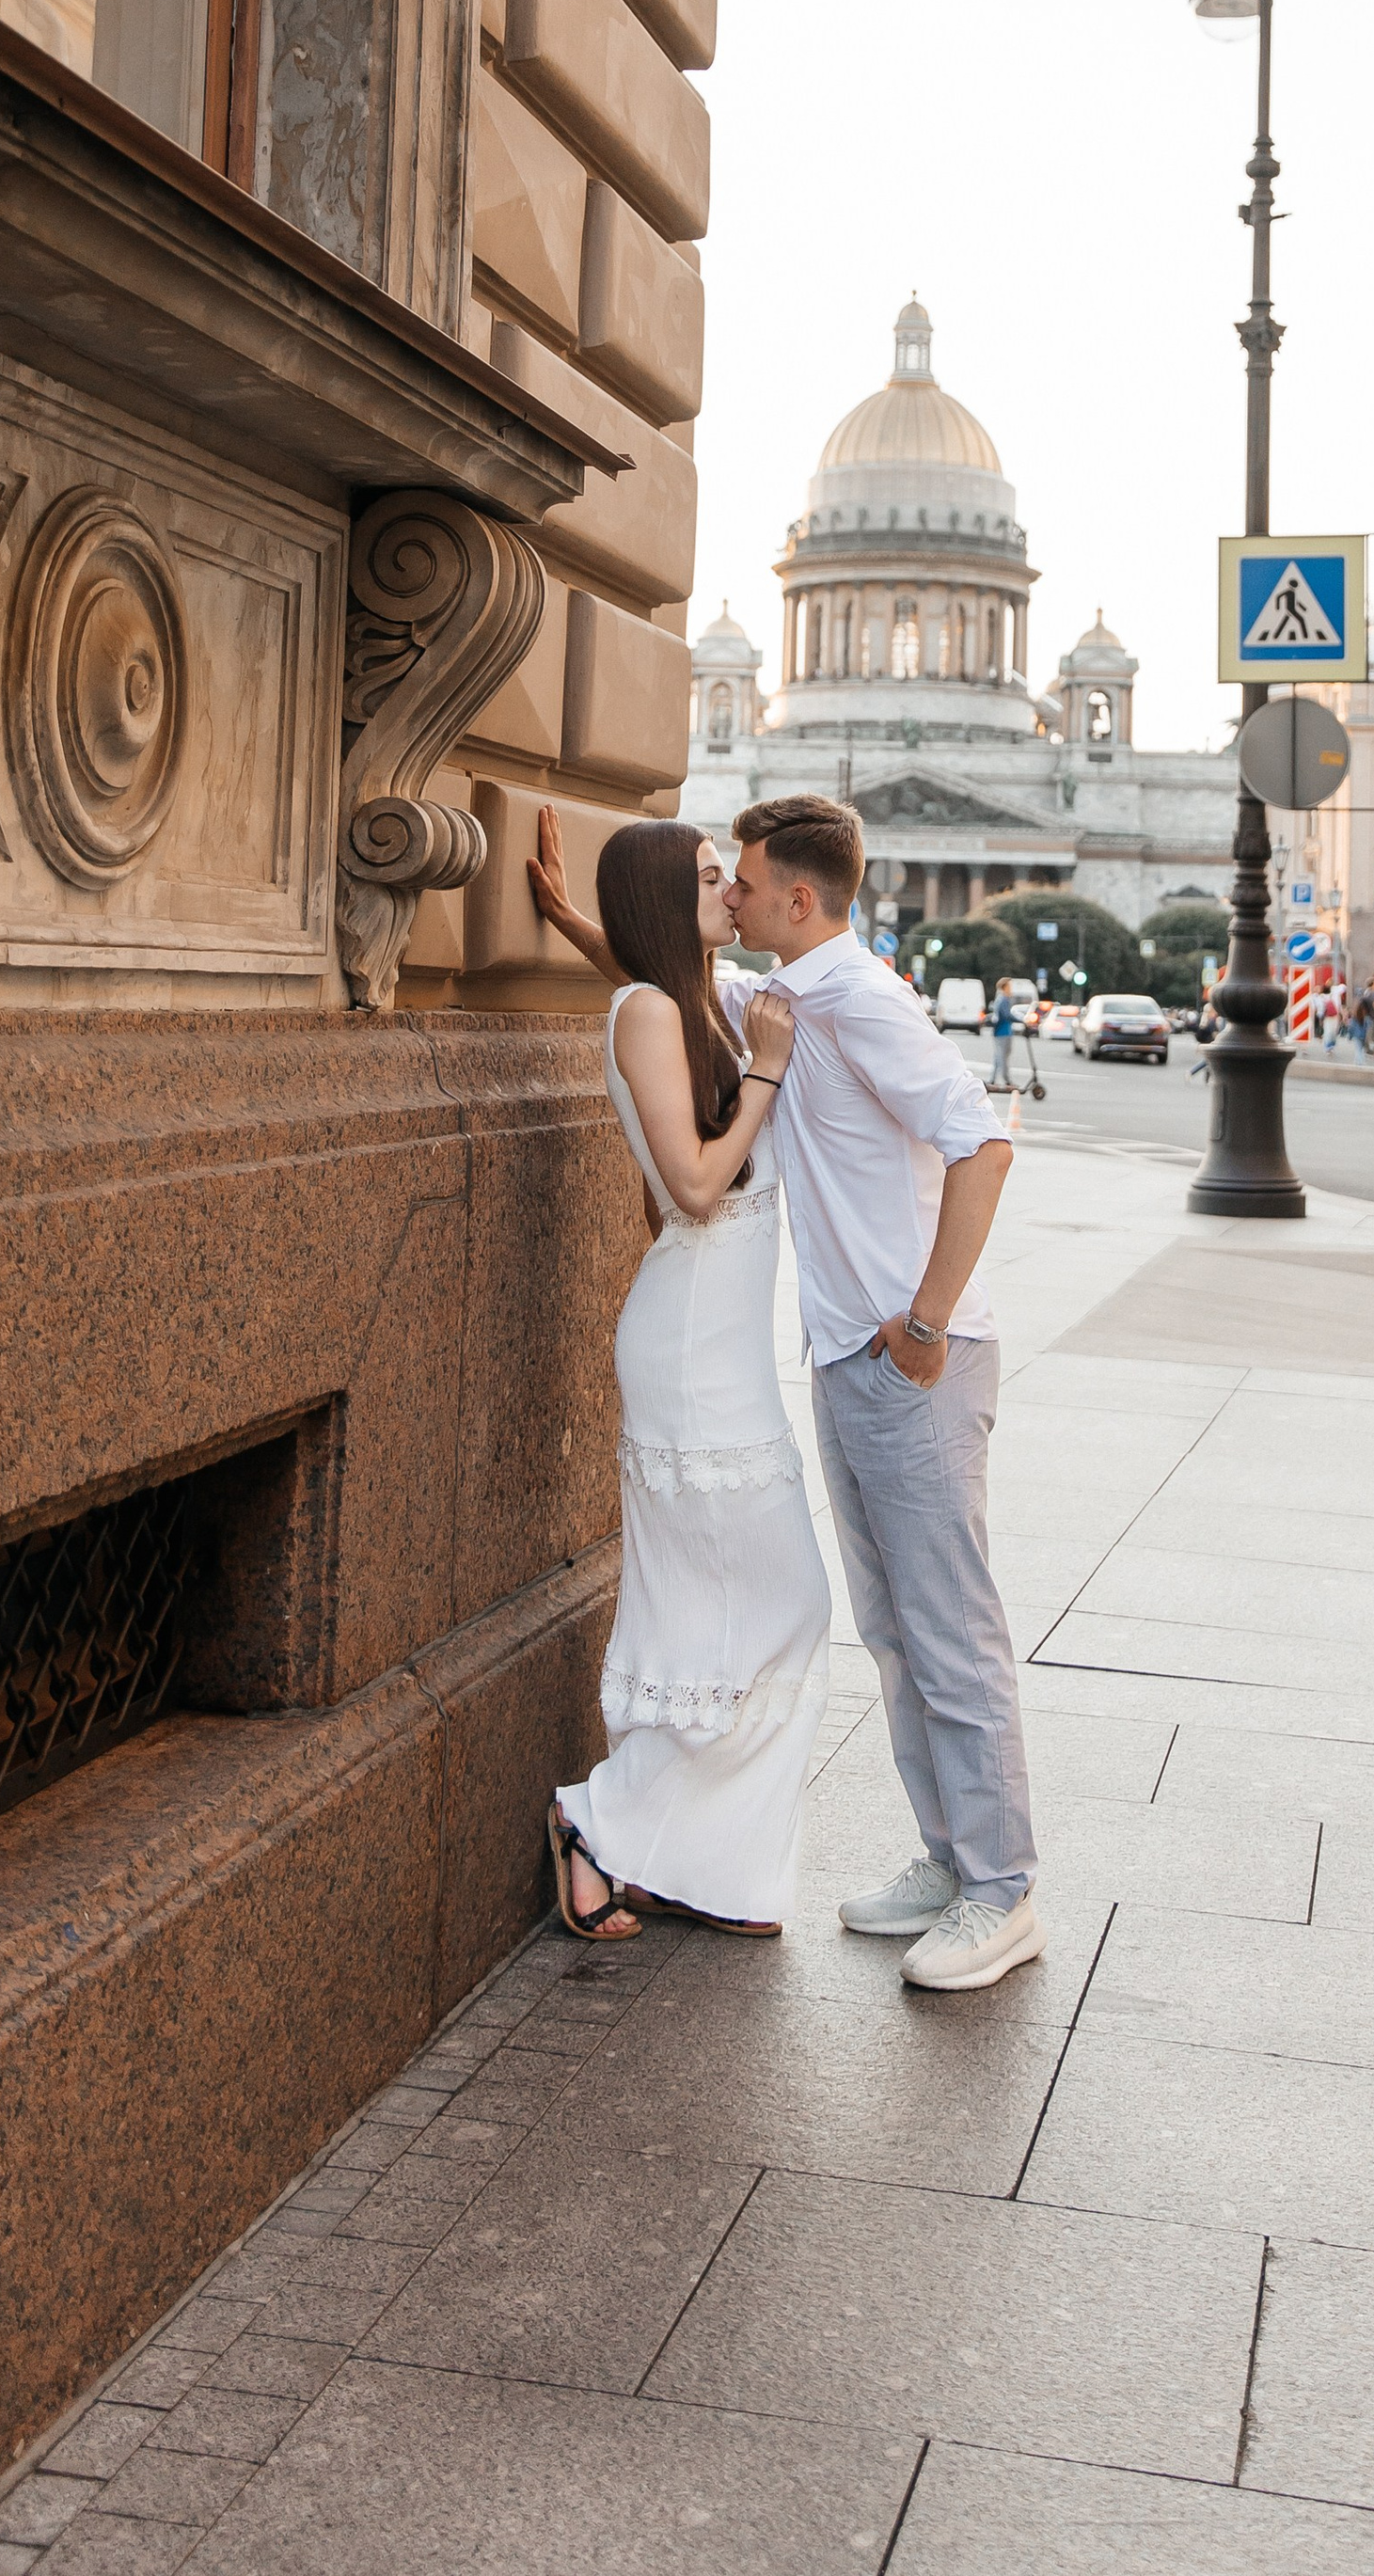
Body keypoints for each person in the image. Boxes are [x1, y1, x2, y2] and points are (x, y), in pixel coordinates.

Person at [535, 793, 1039, 1995]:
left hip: (909, 1360)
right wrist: (565, 914)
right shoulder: (778, 1001)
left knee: (947, 1628)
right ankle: (947, 1858)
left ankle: (1000, 1889)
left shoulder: (855, 999)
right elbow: (653, 986)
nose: (733, 895)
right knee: (894, 1628)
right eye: (718, 881)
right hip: (840, 1359)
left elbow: (985, 1146)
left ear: (795, 901)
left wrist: (925, 1324)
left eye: (745, 880)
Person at [531, 819, 829, 1947]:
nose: (735, 887)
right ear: (673, 894)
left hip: (720, 1345)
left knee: (731, 1613)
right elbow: (696, 1186)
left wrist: (569, 922)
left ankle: (680, 1858)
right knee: (781, 1602)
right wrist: (765, 1070)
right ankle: (597, 1822)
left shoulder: (686, 994)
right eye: (711, 878)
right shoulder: (664, 1012)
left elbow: (643, 974)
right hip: (691, 1346)